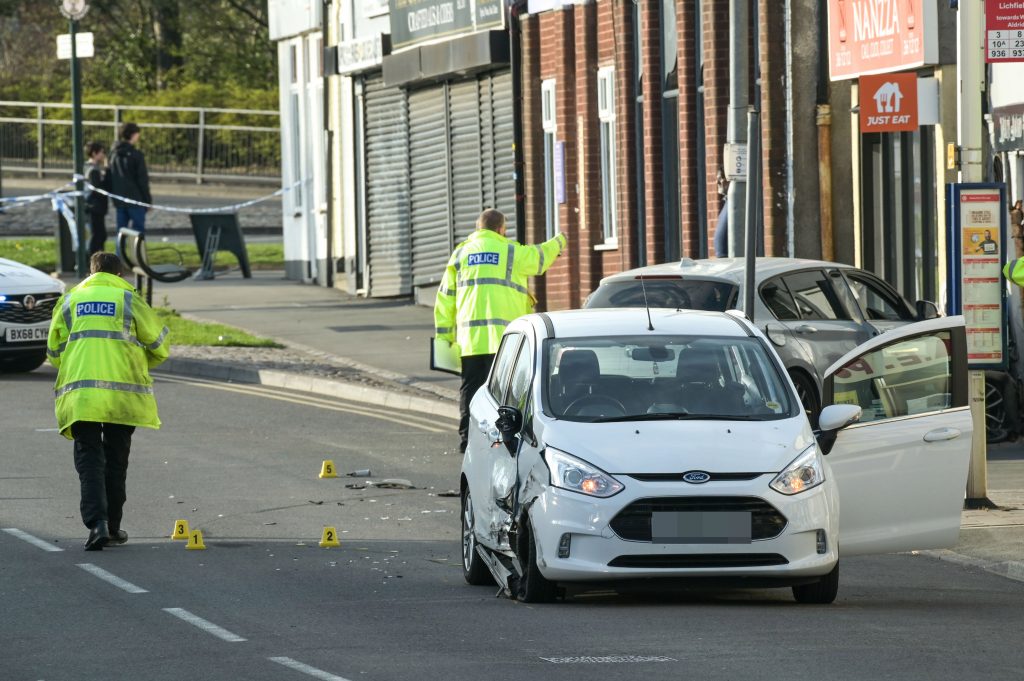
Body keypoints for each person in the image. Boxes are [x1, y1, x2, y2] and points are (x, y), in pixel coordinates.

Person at [47, 252, 170, 550]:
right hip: (122, 395)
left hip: (82, 395)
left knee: (89, 460)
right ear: (120, 275)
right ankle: (113, 527)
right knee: (116, 460)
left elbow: (53, 353)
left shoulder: (70, 301)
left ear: (91, 272)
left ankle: (97, 524)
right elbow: (159, 346)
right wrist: (135, 362)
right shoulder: (128, 299)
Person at [434, 209, 567, 454]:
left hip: (471, 341)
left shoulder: (460, 254)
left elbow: (444, 298)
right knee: (508, 391)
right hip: (505, 341)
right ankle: (505, 438)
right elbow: (540, 257)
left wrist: (444, 338)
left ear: (478, 228)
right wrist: (560, 240)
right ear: (501, 229)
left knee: (471, 391)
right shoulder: (509, 251)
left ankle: (467, 440)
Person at [109, 122, 152, 237]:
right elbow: (142, 180)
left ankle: (120, 254)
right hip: (135, 199)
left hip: (119, 198)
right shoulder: (136, 155)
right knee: (138, 232)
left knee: (121, 232)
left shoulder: (113, 154)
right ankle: (138, 255)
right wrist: (147, 200)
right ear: (133, 135)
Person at [83, 141, 111, 255]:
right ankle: (94, 262)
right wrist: (107, 171)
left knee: (100, 235)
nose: (103, 155)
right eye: (102, 152)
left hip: (92, 206)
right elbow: (99, 189)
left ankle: (97, 261)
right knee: (98, 236)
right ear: (94, 153)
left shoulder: (87, 167)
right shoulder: (93, 170)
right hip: (95, 206)